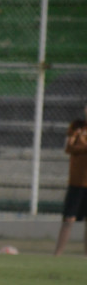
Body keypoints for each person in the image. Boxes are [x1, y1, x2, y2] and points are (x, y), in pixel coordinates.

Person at [53, 103, 87, 256]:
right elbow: (69, 148)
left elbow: (75, 148)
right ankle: (58, 254)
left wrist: (80, 143)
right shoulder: (77, 125)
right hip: (77, 181)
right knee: (69, 219)